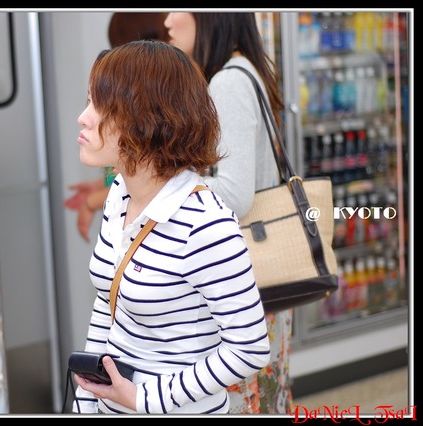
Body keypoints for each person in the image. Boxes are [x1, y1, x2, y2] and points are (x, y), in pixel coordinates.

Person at [71, 40, 271, 414]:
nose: (83, 117)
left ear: (144, 121)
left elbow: (249, 348)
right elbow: (107, 301)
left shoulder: (204, 223)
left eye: (99, 106)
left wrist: (146, 399)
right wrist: (86, 401)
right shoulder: (119, 194)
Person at [164, 12, 292, 414]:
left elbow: (235, 194)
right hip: (262, 275)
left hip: (245, 281)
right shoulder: (244, 70)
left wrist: (167, 184)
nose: (167, 20)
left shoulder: (228, 82)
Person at [64, 12, 169, 242]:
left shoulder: (195, 223)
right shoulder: (119, 194)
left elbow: (149, 178)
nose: (83, 118)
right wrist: (101, 187)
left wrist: (93, 200)